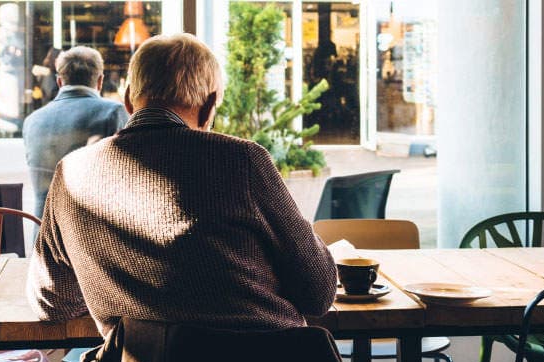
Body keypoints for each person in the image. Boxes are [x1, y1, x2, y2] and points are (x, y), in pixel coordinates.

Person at [26, 33, 336, 340]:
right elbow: (318, 292)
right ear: (210, 104)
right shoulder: (243, 161)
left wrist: (113, 284)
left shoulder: (71, 173)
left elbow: (51, 302)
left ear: (129, 99)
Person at [23, 46, 128, 217]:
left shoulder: (32, 121)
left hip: (42, 234)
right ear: (100, 81)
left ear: (59, 82)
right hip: (90, 234)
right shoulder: (113, 112)